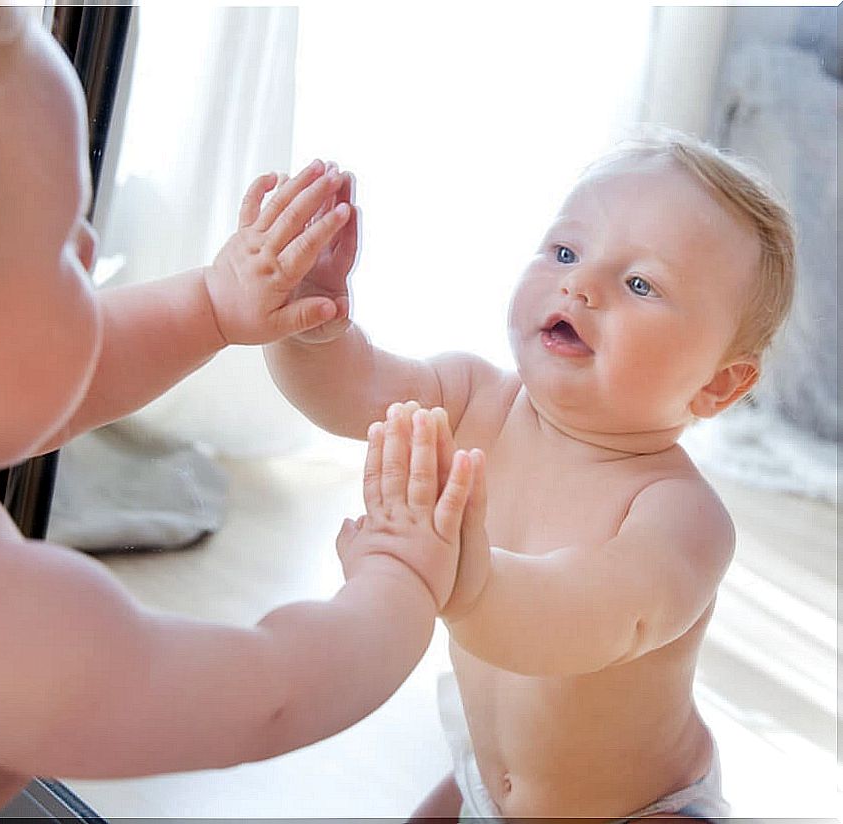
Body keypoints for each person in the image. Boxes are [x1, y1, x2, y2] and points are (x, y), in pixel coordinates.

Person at [0, 8, 485, 818]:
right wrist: (400, 579)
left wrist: (209, 303)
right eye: (63, 244)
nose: (95, 251)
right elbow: (271, 694)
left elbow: (72, 376)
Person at [264, 127, 796, 819]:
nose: (580, 283)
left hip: (642, 809)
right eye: (566, 251)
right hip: (485, 780)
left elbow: (585, 617)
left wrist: (462, 574)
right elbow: (351, 391)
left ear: (718, 387)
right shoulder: (472, 396)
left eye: (639, 284)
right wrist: (310, 324)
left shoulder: (680, 516)